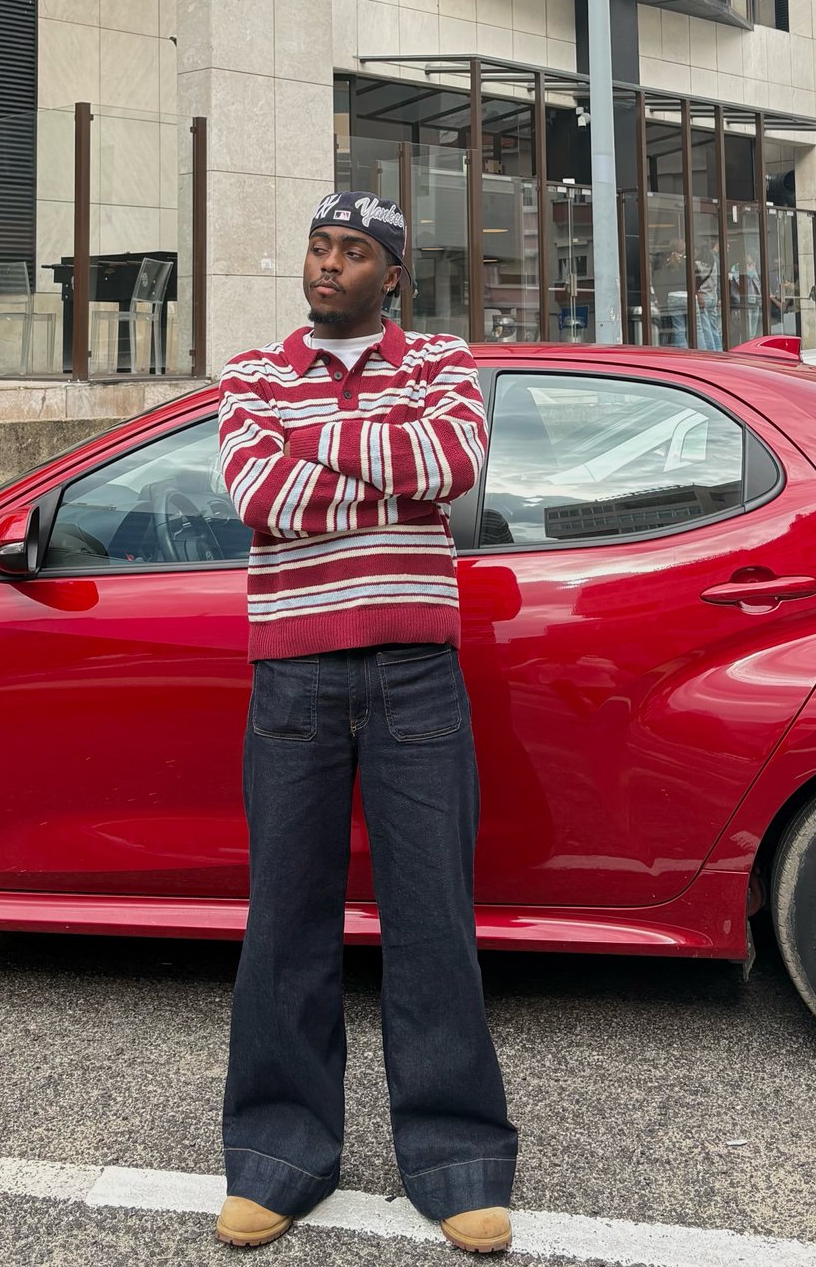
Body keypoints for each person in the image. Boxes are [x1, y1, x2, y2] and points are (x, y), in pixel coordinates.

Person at [215, 192, 518, 1254]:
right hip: (292, 679)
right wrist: (376, 465)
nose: (329, 265)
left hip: (414, 675)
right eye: (319, 246)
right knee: (285, 924)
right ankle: (275, 1156)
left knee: (432, 923)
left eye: (354, 252)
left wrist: (319, 448)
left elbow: (449, 464)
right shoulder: (251, 373)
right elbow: (256, 490)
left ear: (392, 273)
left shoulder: (440, 360)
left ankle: (458, 1162)